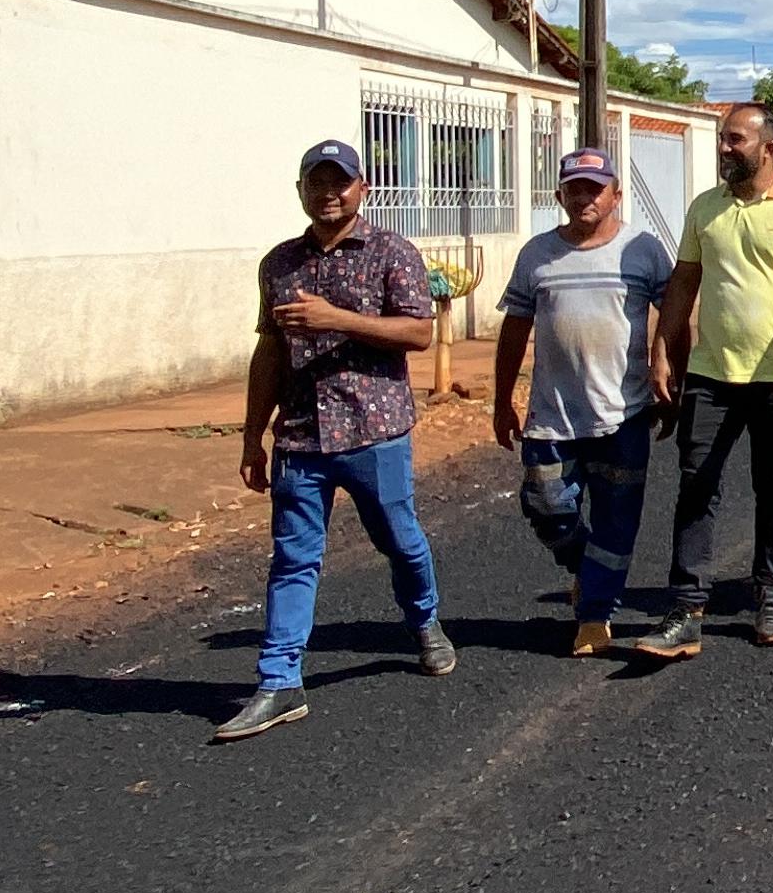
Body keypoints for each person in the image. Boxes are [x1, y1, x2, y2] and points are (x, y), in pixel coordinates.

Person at [217, 139, 450, 741]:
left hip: (375, 434)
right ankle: (279, 681)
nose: (329, 193)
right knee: (293, 560)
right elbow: (269, 350)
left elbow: (419, 333)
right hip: (300, 438)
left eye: (340, 182)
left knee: (400, 541)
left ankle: (424, 621)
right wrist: (252, 437)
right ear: (300, 191)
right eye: (316, 183)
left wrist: (337, 319)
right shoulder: (279, 264)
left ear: (362, 188)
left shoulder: (391, 252)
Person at [633, 103, 773, 660]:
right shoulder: (706, 208)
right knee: (696, 486)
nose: (725, 148)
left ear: (767, 149)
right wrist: (662, 350)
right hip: (710, 373)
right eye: (724, 140)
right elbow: (683, 283)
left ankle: (770, 596)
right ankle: (686, 610)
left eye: (735, 141)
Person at [493, 147, 675, 658]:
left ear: (617, 195)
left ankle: (594, 613)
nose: (584, 198)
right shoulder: (537, 254)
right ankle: (586, 567)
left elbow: (675, 315)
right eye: (574, 189)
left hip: (625, 413)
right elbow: (514, 330)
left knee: (618, 518)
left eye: (595, 189)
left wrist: (670, 379)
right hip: (551, 417)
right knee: (547, 508)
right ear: (559, 195)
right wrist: (503, 399)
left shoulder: (643, 250)